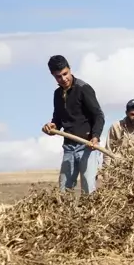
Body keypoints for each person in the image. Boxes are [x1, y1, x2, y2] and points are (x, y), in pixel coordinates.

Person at [42, 55, 105, 194]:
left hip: (87, 146)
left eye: (65, 74)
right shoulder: (57, 94)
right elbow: (57, 119)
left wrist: (95, 137)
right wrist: (52, 126)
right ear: (53, 76)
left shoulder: (84, 88)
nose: (63, 79)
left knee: (89, 190)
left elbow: (99, 116)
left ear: (70, 69)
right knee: (63, 191)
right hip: (69, 147)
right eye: (58, 77)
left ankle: (90, 216)